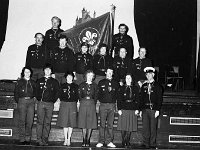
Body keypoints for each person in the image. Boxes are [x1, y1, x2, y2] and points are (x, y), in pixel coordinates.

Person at [35, 63, 60, 146]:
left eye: (49, 69)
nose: (47, 71)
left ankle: (45, 139)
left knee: (47, 123)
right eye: (46, 69)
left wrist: (53, 100)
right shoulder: (39, 81)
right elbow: (36, 91)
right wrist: (39, 99)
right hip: (41, 103)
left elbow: (57, 92)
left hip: (50, 104)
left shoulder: (55, 82)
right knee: (39, 122)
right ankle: (39, 139)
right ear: (43, 71)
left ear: (51, 71)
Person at [139, 67, 163, 149]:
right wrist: (141, 110)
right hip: (145, 109)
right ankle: (145, 143)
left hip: (153, 109)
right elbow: (141, 98)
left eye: (150, 74)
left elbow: (160, 99)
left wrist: (158, 110)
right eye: (147, 74)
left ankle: (152, 143)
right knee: (145, 127)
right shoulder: (144, 86)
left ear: (153, 75)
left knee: (153, 127)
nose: (148, 76)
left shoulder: (157, 86)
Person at [96, 67, 119, 148]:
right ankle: (101, 141)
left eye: (111, 72)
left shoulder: (116, 83)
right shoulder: (101, 82)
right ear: (105, 73)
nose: (109, 73)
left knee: (110, 125)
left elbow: (117, 95)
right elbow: (98, 94)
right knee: (102, 125)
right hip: (103, 105)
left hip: (112, 105)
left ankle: (109, 141)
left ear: (112, 73)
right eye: (108, 72)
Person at [14, 67, 36, 145]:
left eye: (29, 72)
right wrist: (19, 101)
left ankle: (28, 138)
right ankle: (22, 138)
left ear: (31, 73)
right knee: (22, 121)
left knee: (30, 121)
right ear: (23, 73)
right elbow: (16, 93)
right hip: (22, 101)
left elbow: (35, 93)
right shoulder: (19, 82)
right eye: (26, 72)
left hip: (31, 102)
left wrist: (32, 100)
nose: (27, 73)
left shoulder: (33, 82)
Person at [117, 74, 139, 148]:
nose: (128, 79)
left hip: (132, 109)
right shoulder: (121, 88)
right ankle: (123, 141)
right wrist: (119, 109)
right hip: (124, 108)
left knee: (130, 126)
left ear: (132, 79)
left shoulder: (136, 88)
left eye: (129, 78)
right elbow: (119, 99)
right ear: (125, 79)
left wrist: (137, 109)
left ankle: (127, 141)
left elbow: (138, 99)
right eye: (127, 78)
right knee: (123, 126)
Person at [57, 73, 79, 146]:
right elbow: (59, 95)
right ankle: (65, 139)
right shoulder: (62, 86)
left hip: (72, 104)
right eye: (68, 77)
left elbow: (77, 96)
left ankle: (69, 138)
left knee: (71, 122)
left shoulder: (76, 86)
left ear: (73, 78)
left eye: (71, 77)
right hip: (64, 104)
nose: (69, 78)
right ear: (66, 78)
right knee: (64, 122)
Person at [78, 70, 98, 147]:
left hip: (91, 104)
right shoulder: (81, 85)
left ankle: (88, 139)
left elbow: (96, 96)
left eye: (91, 75)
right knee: (83, 122)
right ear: (85, 76)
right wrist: (83, 101)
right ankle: (83, 139)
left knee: (90, 122)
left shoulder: (95, 85)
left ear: (93, 77)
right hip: (83, 103)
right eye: (88, 75)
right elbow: (79, 95)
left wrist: (92, 102)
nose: (90, 77)